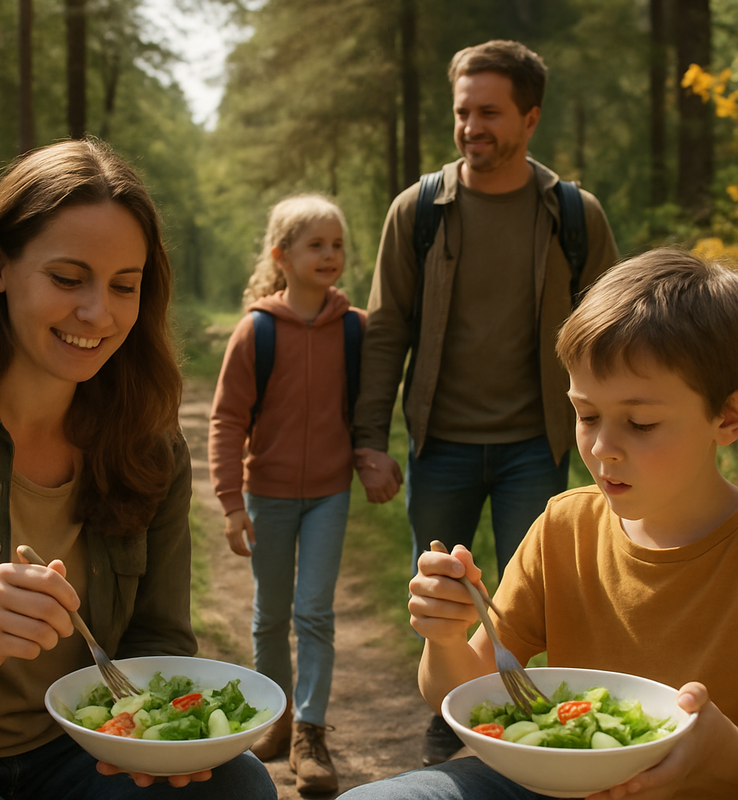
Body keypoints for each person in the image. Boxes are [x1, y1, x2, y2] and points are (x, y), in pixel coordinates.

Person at [0, 139, 276, 800]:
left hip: (79, 751)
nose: (99, 313)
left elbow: (156, 639)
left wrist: (161, 738)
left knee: (238, 785)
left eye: (125, 285)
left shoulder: (148, 447)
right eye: (68, 279)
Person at [338, 247, 738, 800]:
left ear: (727, 416)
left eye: (641, 423)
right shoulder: (565, 528)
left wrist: (720, 754)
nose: (602, 448)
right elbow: (465, 690)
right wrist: (446, 636)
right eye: (587, 414)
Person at [351, 39, 619, 765]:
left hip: (540, 441)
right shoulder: (418, 212)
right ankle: (447, 720)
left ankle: (528, 732)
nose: (472, 127)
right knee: (441, 598)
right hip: (440, 443)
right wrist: (370, 441)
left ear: (530, 119)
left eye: (490, 113)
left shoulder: (573, 215)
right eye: (463, 111)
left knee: (538, 600)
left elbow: (615, 341)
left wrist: (610, 440)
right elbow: (385, 333)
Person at [208, 194, 365, 795]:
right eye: (316, 245)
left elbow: (367, 410)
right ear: (282, 255)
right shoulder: (256, 332)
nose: (330, 255)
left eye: (338, 245)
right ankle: (273, 718)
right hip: (266, 495)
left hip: (330, 491)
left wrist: (371, 456)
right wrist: (229, 501)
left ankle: (310, 732)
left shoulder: (355, 328)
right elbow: (226, 421)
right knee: (270, 614)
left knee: (314, 611)